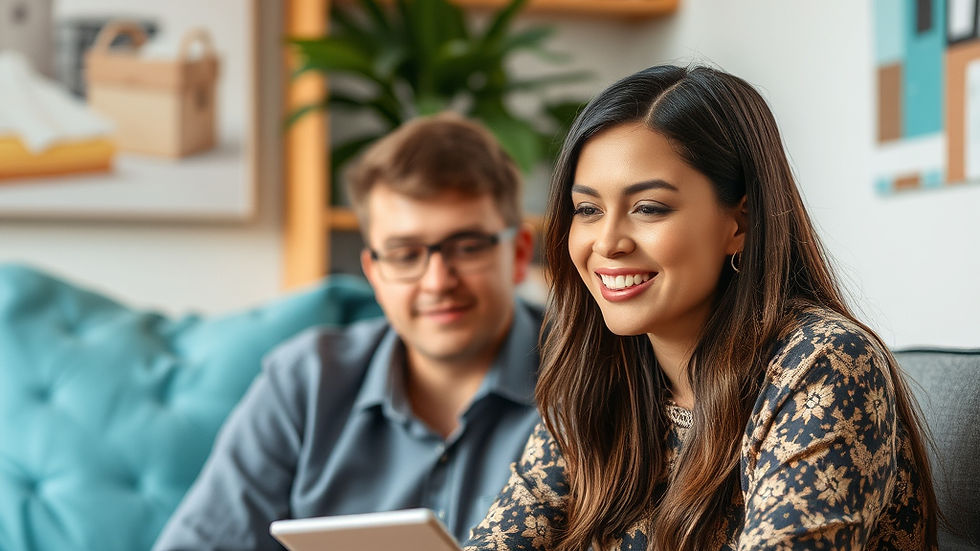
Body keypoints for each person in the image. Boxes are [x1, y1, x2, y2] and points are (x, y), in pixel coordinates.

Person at [463, 65, 939, 550]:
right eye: (588, 210)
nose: (606, 243)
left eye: (649, 207)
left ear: (741, 222)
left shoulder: (824, 363)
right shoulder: (596, 374)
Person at [153, 113, 540, 550]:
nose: (437, 281)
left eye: (467, 247)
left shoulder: (597, 382)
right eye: (405, 254)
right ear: (373, 272)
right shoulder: (306, 381)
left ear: (519, 253)